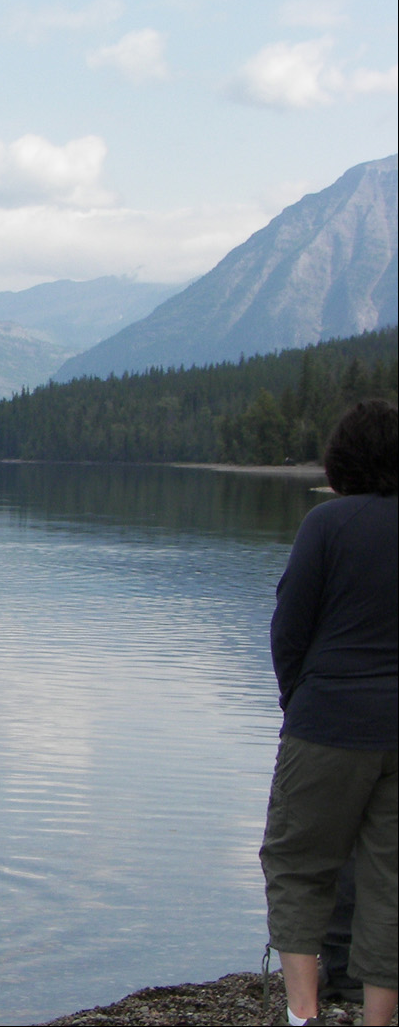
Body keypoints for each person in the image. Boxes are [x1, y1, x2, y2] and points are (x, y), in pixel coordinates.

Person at [260, 399, 398, 1027]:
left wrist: (302, 701)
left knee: (298, 866)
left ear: (340, 459)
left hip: (328, 722)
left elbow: (289, 629)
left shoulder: (327, 522)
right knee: (388, 880)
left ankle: (304, 1015)